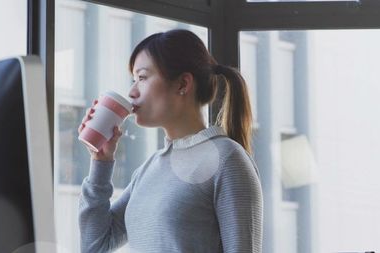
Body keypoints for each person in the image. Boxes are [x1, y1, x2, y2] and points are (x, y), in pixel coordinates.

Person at [78, 29, 263, 253]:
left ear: (182, 84)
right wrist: (101, 161)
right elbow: (94, 246)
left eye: (143, 77)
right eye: (133, 80)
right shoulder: (149, 169)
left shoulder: (227, 158)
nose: (132, 91)